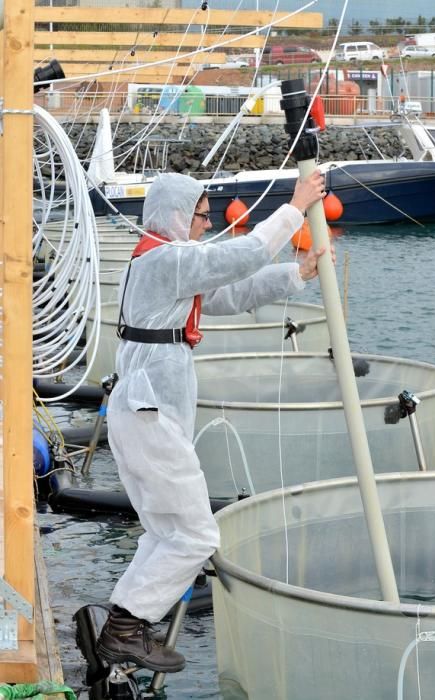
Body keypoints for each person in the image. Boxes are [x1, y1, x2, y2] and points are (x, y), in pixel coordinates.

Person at [96, 170, 329, 673]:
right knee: (197, 536)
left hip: (143, 414)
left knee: (164, 532)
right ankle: (126, 628)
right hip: (148, 417)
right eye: (201, 216)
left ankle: (125, 623)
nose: (205, 226)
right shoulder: (168, 259)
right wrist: (295, 207)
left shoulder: (159, 263)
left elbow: (230, 293)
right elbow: (241, 256)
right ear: (178, 215)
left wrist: (296, 276)